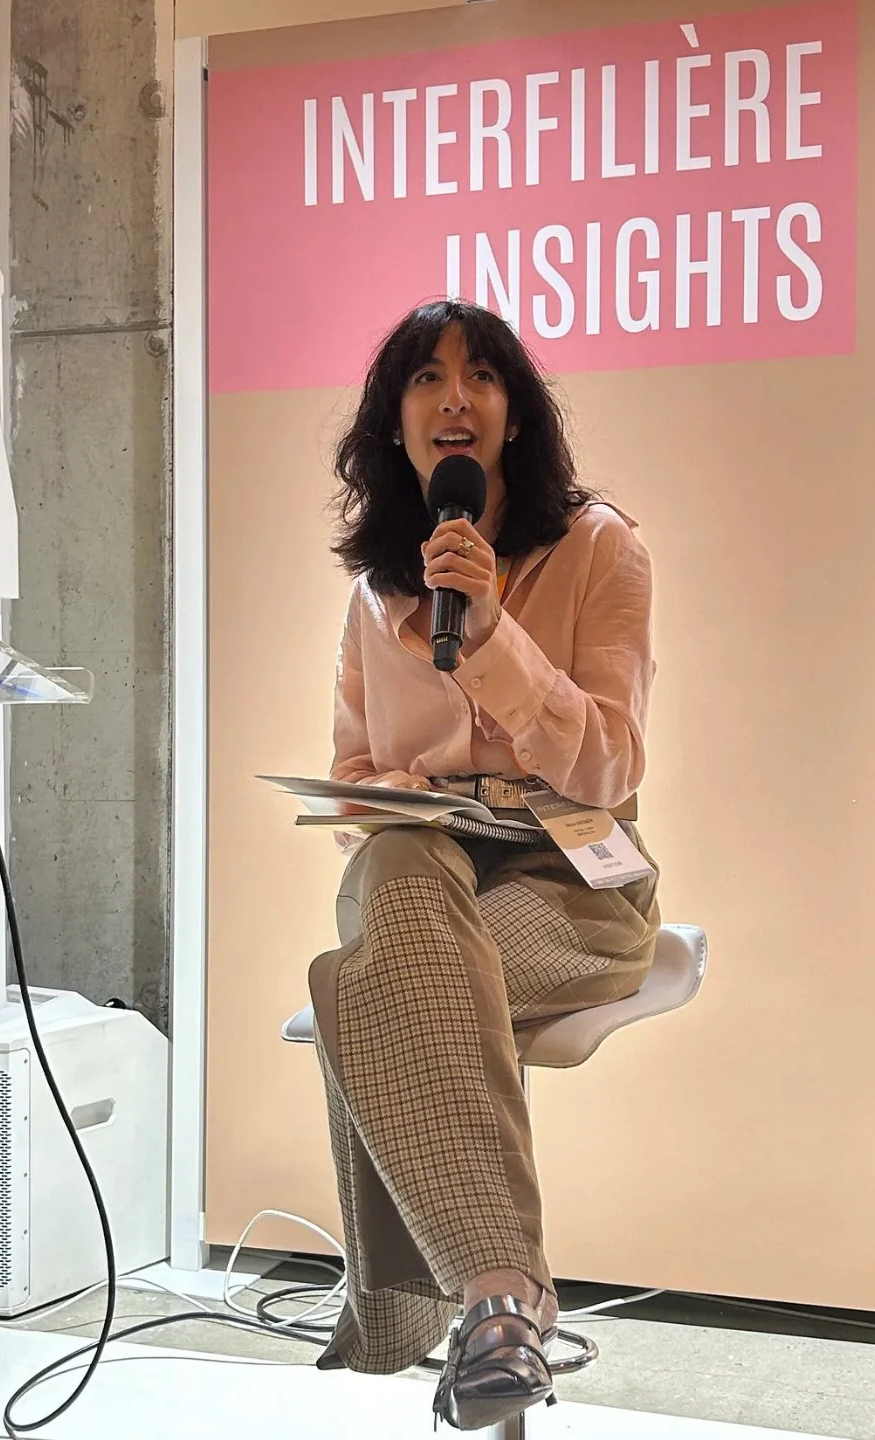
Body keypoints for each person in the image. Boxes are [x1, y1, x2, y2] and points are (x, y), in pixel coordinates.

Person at [308, 298, 660, 1432]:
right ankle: (504, 1303)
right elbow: (352, 772)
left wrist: (495, 630)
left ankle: (443, 1306)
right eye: (425, 377)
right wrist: (408, 797)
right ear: (394, 421)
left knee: (374, 982)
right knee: (406, 872)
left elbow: (608, 765)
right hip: (423, 868)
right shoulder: (377, 590)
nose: (453, 397)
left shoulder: (600, 547)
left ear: (514, 414)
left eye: (481, 377)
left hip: (570, 878)